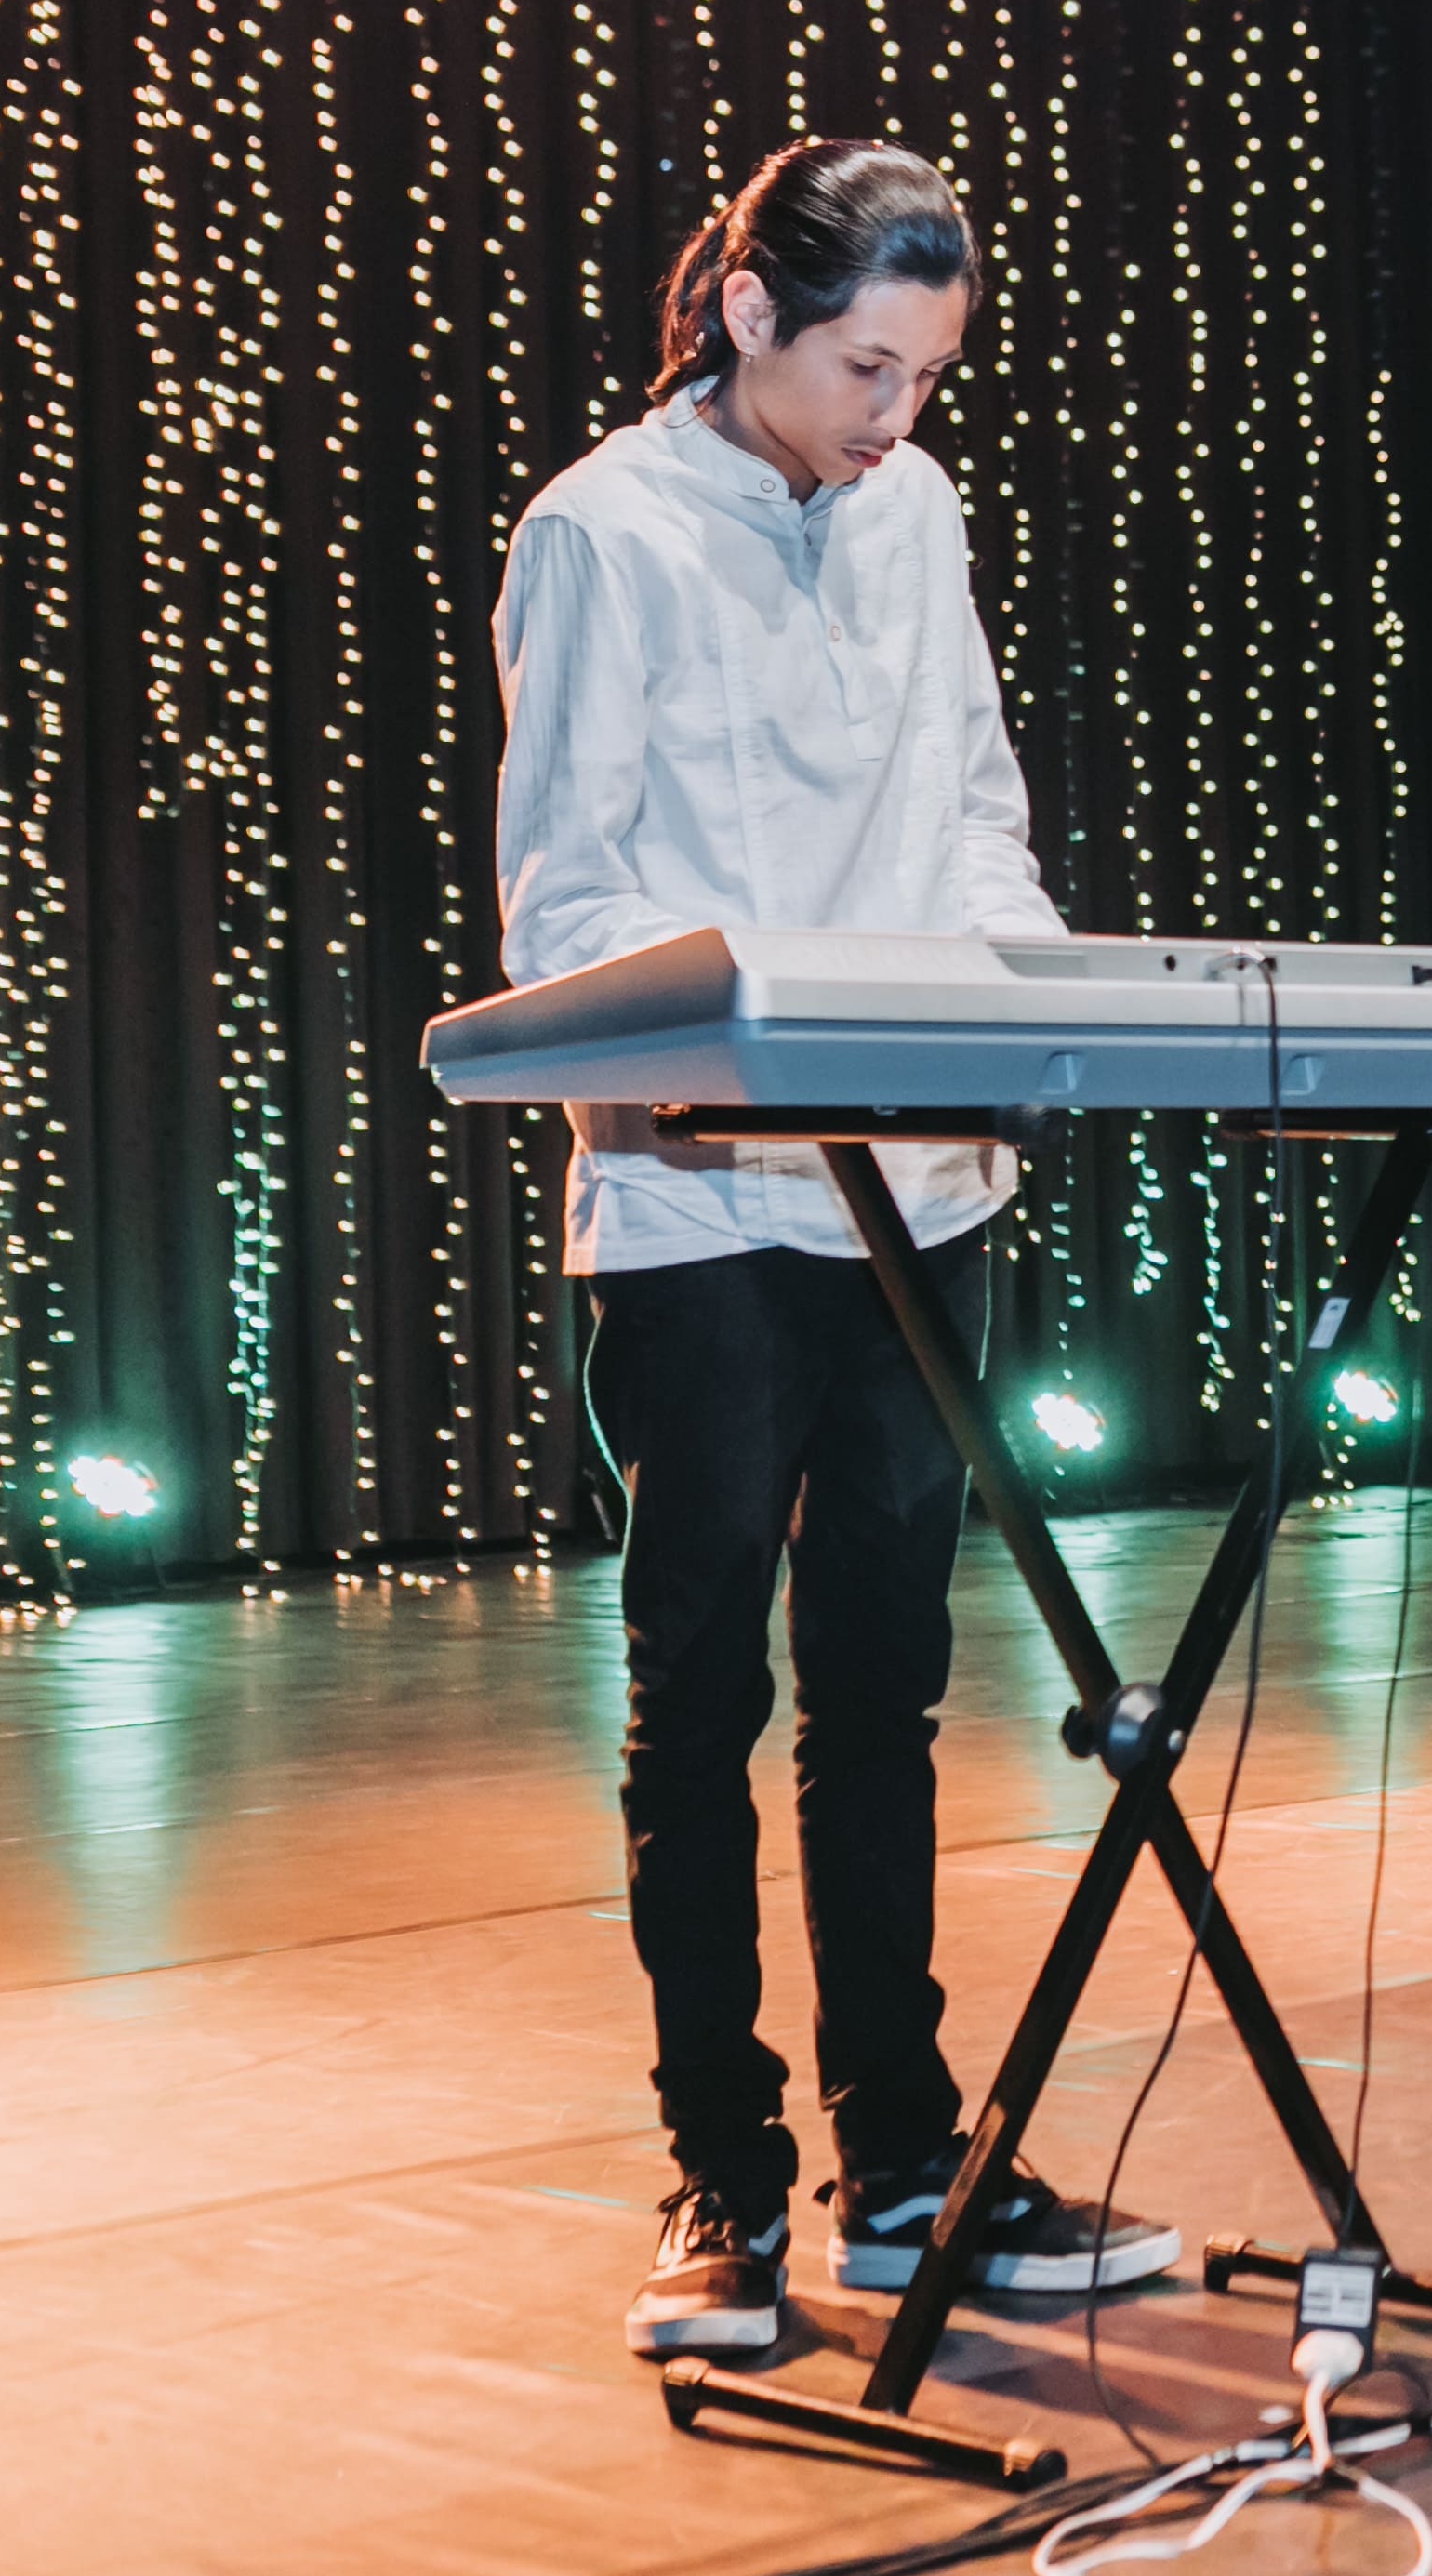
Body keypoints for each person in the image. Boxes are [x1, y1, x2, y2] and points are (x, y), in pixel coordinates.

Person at [496, 138, 1174, 2360]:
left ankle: (909, 2166)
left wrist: (1023, 1003)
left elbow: (973, 805)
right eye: (865, 366)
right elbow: (569, 894)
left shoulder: (920, 510)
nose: (895, 414)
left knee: (886, 1689)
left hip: (922, 1183)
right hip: (702, 1202)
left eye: (927, 372)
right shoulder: (606, 527)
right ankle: (721, 2181)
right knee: (701, 1692)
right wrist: (733, 1049)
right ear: (750, 319)